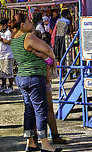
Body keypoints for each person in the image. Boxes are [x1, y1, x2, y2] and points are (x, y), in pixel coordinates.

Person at [10, 12, 58, 152]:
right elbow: (47, 49)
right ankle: (45, 143)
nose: (31, 23)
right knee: (40, 109)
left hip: (22, 77)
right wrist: (53, 59)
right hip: (34, 77)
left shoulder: (14, 39)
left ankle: (30, 142)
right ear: (22, 24)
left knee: (29, 109)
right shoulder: (28, 37)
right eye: (29, 21)